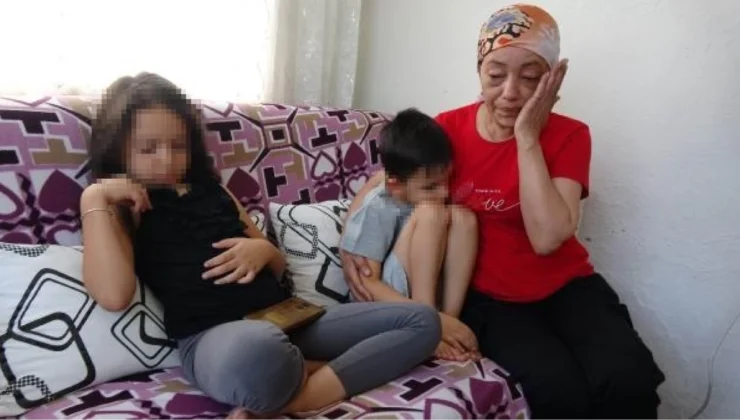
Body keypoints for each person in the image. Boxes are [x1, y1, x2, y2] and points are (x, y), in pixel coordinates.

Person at [342, 4, 665, 420]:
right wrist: (351, 246)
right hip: (490, 299)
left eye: (530, 78)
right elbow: (384, 179)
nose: (510, 92)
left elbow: (548, 238)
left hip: (569, 286)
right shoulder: (448, 129)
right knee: (558, 391)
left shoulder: (570, 135)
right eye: (496, 75)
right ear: (479, 71)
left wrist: (527, 138)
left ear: (551, 78)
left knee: (627, 378)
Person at [80, 73, 441, 420]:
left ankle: (298, 398)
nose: (167, 160)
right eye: (148, 149)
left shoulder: (215, 190)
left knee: (423, 321)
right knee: (260, 349)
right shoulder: (123, 207)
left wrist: (263, 251)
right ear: (119, 150)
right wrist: (93, 197)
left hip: (286, 317)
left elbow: (279, 266)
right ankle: (320, 368)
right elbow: (113, 294)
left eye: (178, 145)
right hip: (217, 339)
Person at [339, 108, 480, 361]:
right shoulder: (378, 206)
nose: (443, 192)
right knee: (431, 213)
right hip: (383, 307)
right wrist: (425, 315)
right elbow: (367, 284)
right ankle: (429, 327)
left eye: (446, 181)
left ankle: (450, 322)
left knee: (464, 218)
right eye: (431, 187)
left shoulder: (426, 191)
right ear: (395, 185)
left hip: (423, 297)